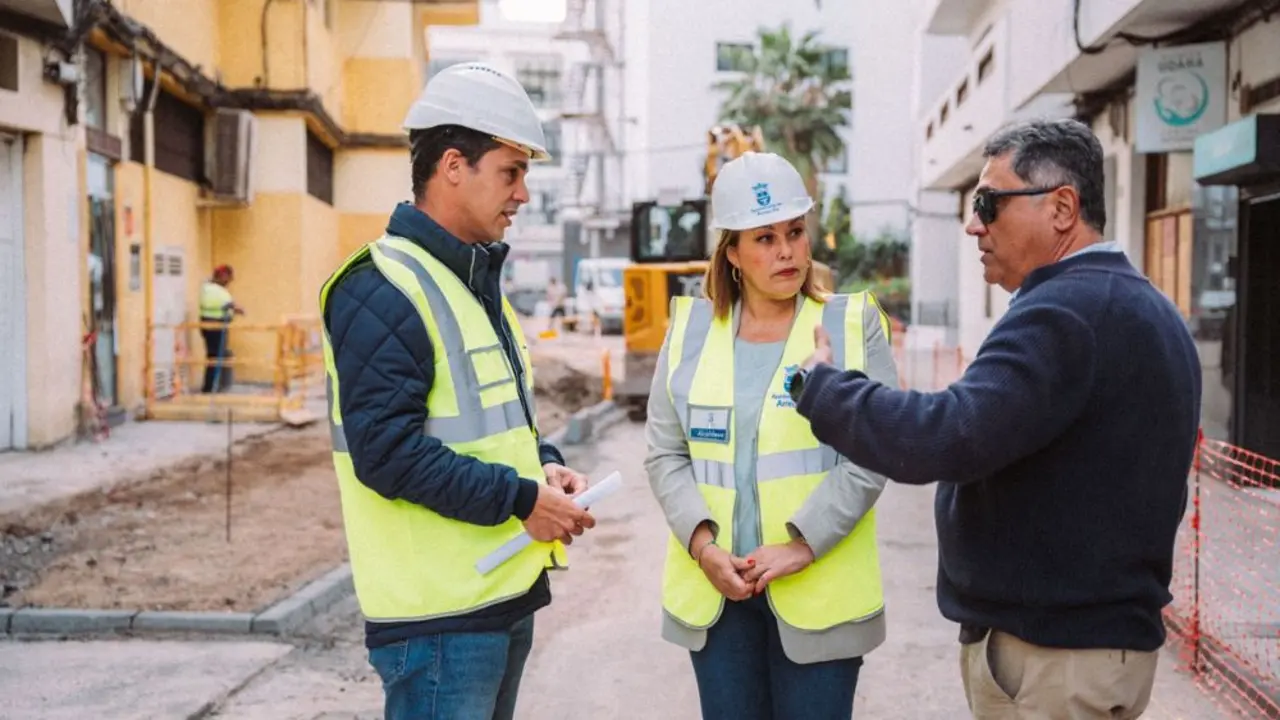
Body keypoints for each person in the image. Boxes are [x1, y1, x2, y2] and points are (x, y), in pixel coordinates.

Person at [789, 118, 1202, 718]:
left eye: (989, 202)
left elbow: (945, 435)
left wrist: (820, 386)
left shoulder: (1066, 312)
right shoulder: (1137, 304)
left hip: (1055, 656)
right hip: (1084, 645)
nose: (973, 224)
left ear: (1062, 207)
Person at [318, 62, 597, 720]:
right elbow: (385, 452)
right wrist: (520, 497)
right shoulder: (382, 286)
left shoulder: (468, 278)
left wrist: (544, 466)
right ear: (452, 166)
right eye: (511, 172)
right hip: (438, 623)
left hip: (496, 594)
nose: (523, 193)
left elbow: (488, 425)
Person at [643, 151, 897, 720]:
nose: (786, 251)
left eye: (794, 232)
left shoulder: (852, 326)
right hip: (719, 592)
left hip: (818, 590)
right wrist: (704, 547)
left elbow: (871, 454)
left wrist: (802, 545)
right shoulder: (688, 333)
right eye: (764, 238)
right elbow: (665, 454)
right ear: (732, 252)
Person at [198, 264, 245, 393]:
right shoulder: (213, 290)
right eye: (228, 278)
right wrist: (234, 307)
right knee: (215, 357)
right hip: (215, 327)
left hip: (213, 326)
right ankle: (210, 388)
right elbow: (223, 303)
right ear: (223, 276)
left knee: (215, 357)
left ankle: (213, 386)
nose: (229, 282)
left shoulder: (209, 288)